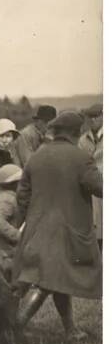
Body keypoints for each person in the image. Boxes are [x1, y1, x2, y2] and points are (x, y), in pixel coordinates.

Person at [13, 112, 102, 341]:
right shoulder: (82, 158)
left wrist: (26, 220)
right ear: (76, 132)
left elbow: (22, 195)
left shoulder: (37, 157)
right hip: (66, 232)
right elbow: (100, 187)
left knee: (54, 278)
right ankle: (13, 328)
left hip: (37, 229)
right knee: (46, 283)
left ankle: (70, 330)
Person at [0, 163, 23, 283]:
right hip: (3, 253)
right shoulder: (6, 200)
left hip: (3, 252)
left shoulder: (3, 198)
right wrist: (18, 236)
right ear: (14, 184)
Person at [79, 103, 102, 250]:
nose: (93, 120)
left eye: (96, 116)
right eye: (90, 117)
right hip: (91, 189)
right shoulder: (82, 140)